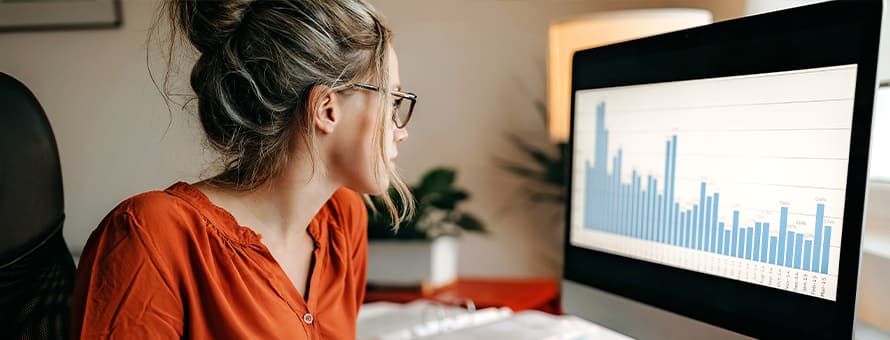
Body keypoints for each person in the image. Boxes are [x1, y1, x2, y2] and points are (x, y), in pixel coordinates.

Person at [70, 0, 416, 338]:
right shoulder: (151, 236)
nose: (401, 131)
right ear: (327, 110)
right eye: (393, 102)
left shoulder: (343, 219)